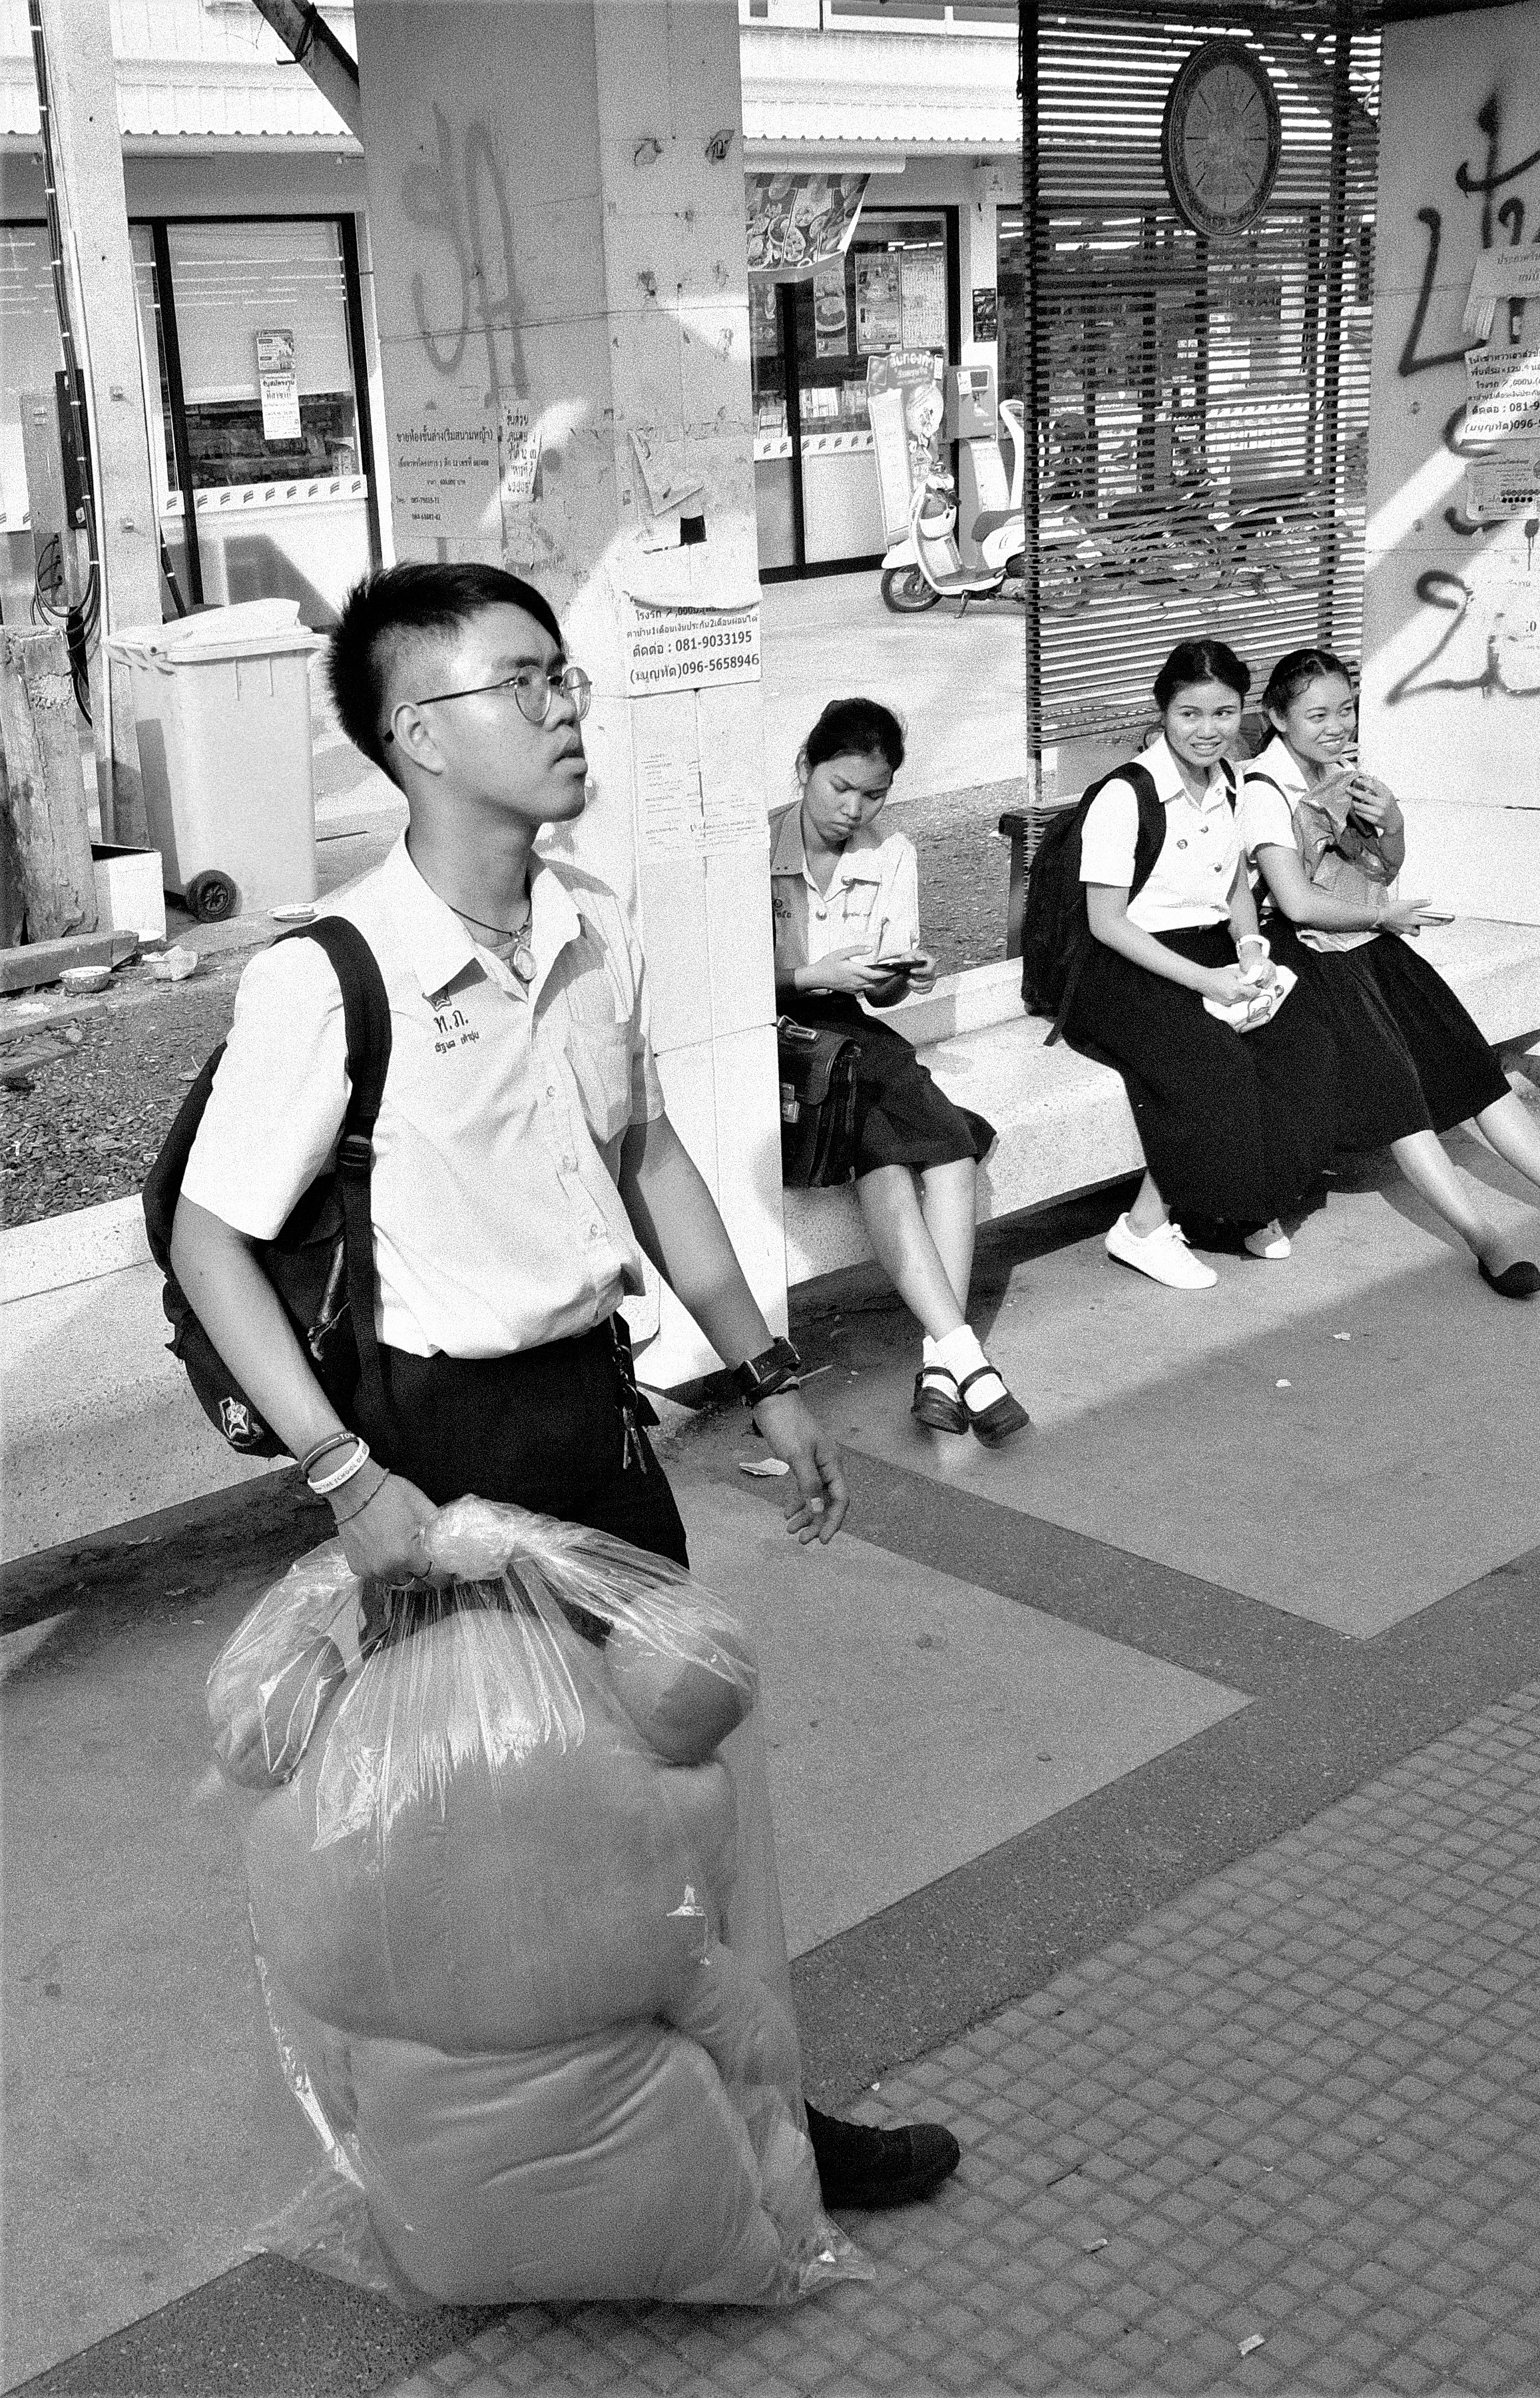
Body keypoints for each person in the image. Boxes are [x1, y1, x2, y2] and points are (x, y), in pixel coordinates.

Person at [168, 562, 959, 2210]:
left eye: (563, 676)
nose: (563, 709)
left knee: (679, 1793)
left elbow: (647, 1153)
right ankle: (507, 2184)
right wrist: (341, 1475)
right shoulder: (332, 976)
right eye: (519, 683)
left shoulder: (593, 921)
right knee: (482, 1834)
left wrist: (764, 1371)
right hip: (430, 1458)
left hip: (598, 1419)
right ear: (417, 733)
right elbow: (209, 1238)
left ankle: (758, 2121)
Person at [1239, 647, 1540, 1298]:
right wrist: (1382, 916)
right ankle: (1482, 1237)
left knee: (1469, 1066)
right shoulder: (1263, 790)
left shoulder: (1338, 773)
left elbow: (1380, 869)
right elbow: (1296, 903)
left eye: (1345, 710)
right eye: (1316, 715)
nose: (1335, 726)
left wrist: (1391, 821)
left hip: (1364, 941)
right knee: (1397, 1096)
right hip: (1306, 957)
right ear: (1277, 716)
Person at [771, 697, 1029, 1444]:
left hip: (850, 1034)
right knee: (897, 1145)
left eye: (873, 794)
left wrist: (901, 977)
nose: (853, 809)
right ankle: (963, 1359)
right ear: (806, 767)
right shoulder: (753, 848)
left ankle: (944, 1366)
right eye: (839, 787)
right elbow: (719, 989)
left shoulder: (891, 853)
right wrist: (809, 974)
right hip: (777, 1038)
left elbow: (878, 994)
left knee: (943, 1151)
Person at [1060, 639, 1341, 1289]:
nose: (1207, 730)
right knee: (1215, 1061)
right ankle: (1141, 1228)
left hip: (1209, 951)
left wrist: (1250, 947)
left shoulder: (1231, 781)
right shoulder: (1125, 794)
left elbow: (1235, 882)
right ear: (1163, 711)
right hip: (1124, 967)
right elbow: (1106, 922)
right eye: (1189, 714)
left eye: (1223, 713)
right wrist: (1205, 980)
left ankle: (1244, 1205)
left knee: (1304, 1043)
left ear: (1242, 711)